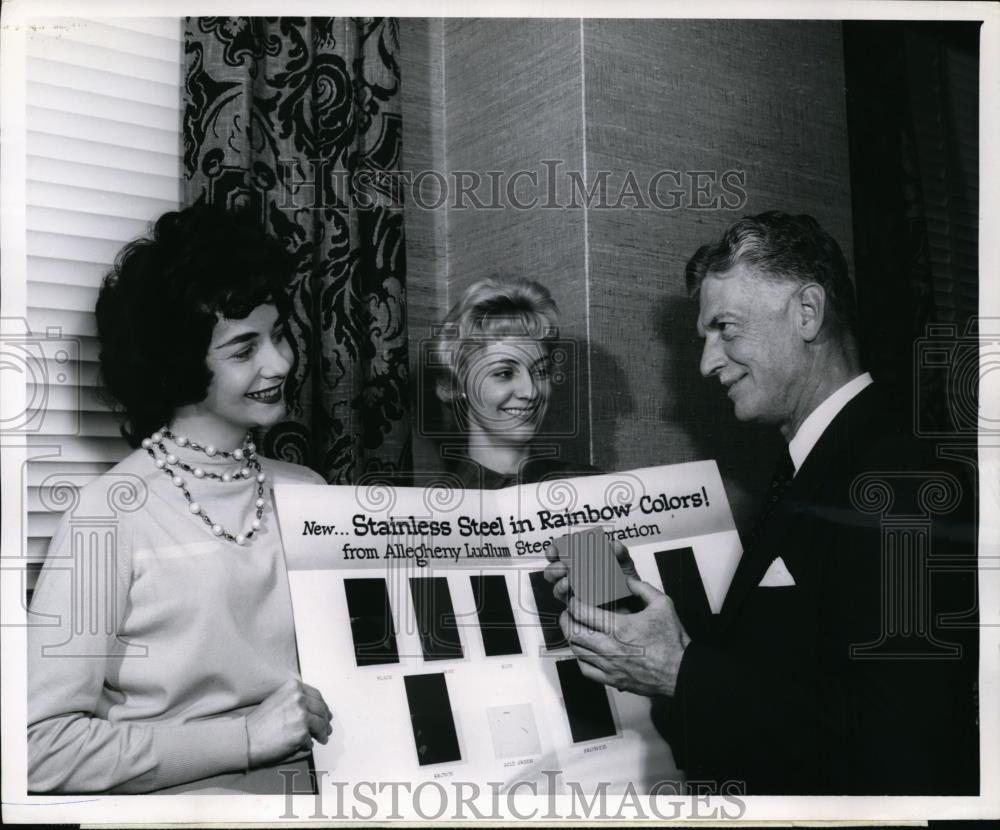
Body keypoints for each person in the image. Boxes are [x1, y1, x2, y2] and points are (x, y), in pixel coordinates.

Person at [545, 211, 978, 795]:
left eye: (725, 328)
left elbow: (900, 746)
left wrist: (679, 672)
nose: (707, 363)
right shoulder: (811, 467)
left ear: (807, 312)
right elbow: (785, 666)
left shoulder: (899, 478)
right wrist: (622, 599)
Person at [27, 204, 333, 794]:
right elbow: (36, 748)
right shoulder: (107, 514)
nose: (281, 362)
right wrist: (242, 738)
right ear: (177, 366)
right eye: (244, 349)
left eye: (280, 334)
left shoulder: (309, 492)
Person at [432, 277, 597, 488]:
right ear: (458, 384)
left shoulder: (593, 487)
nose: (530, 392)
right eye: (505, 373)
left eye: (541, 371)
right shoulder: (433, 511)